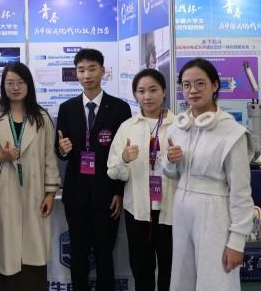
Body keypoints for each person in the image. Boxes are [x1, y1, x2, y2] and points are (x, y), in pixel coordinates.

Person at [163, 58, 253, 291]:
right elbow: (170, 173)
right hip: (182, 208)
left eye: (200, 83)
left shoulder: (232, 132)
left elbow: (241, 191)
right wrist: (171, 161)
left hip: (215, 212)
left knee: (215, 281)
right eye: (186, 85)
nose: (192, 90)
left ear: (215, 85)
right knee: (182, 278)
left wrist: (237, 241)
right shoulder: (177, 128)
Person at [56, 48, 131, 291]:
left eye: (92, 69)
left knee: (104, 255)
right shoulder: (67, 108)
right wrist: (63, 150)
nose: (86, 75)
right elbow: (60, 150)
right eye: (81, 70)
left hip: (106, 194)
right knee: (78, 254)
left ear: (102, 71)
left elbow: (123, 155)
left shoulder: (119, 108)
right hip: (76, 194)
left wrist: (119, 191)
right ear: (76, 74)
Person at [0, 62, 60, 291]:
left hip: (34, 194)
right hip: (5, 195)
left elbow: (49, 157)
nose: (15, 87)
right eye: (10, 83)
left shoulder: (41, 118)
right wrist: (1, 157)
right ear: (3, 86)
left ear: (29, 85)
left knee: (33, 252)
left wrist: (50, 193)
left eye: (20, 82)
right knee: (5, 255)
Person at [107, 68, 177, 291]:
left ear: (164, 92)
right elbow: (113, 171)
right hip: (137, 211)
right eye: (141, 91)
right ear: (135, 95)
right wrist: (124, 160)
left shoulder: (179, 126)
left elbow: (189, 171)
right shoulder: (127, 127)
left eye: (153, 90)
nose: (147, 96)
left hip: (171, 211)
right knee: (141, 270)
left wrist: (179, 160)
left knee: (171, 271)